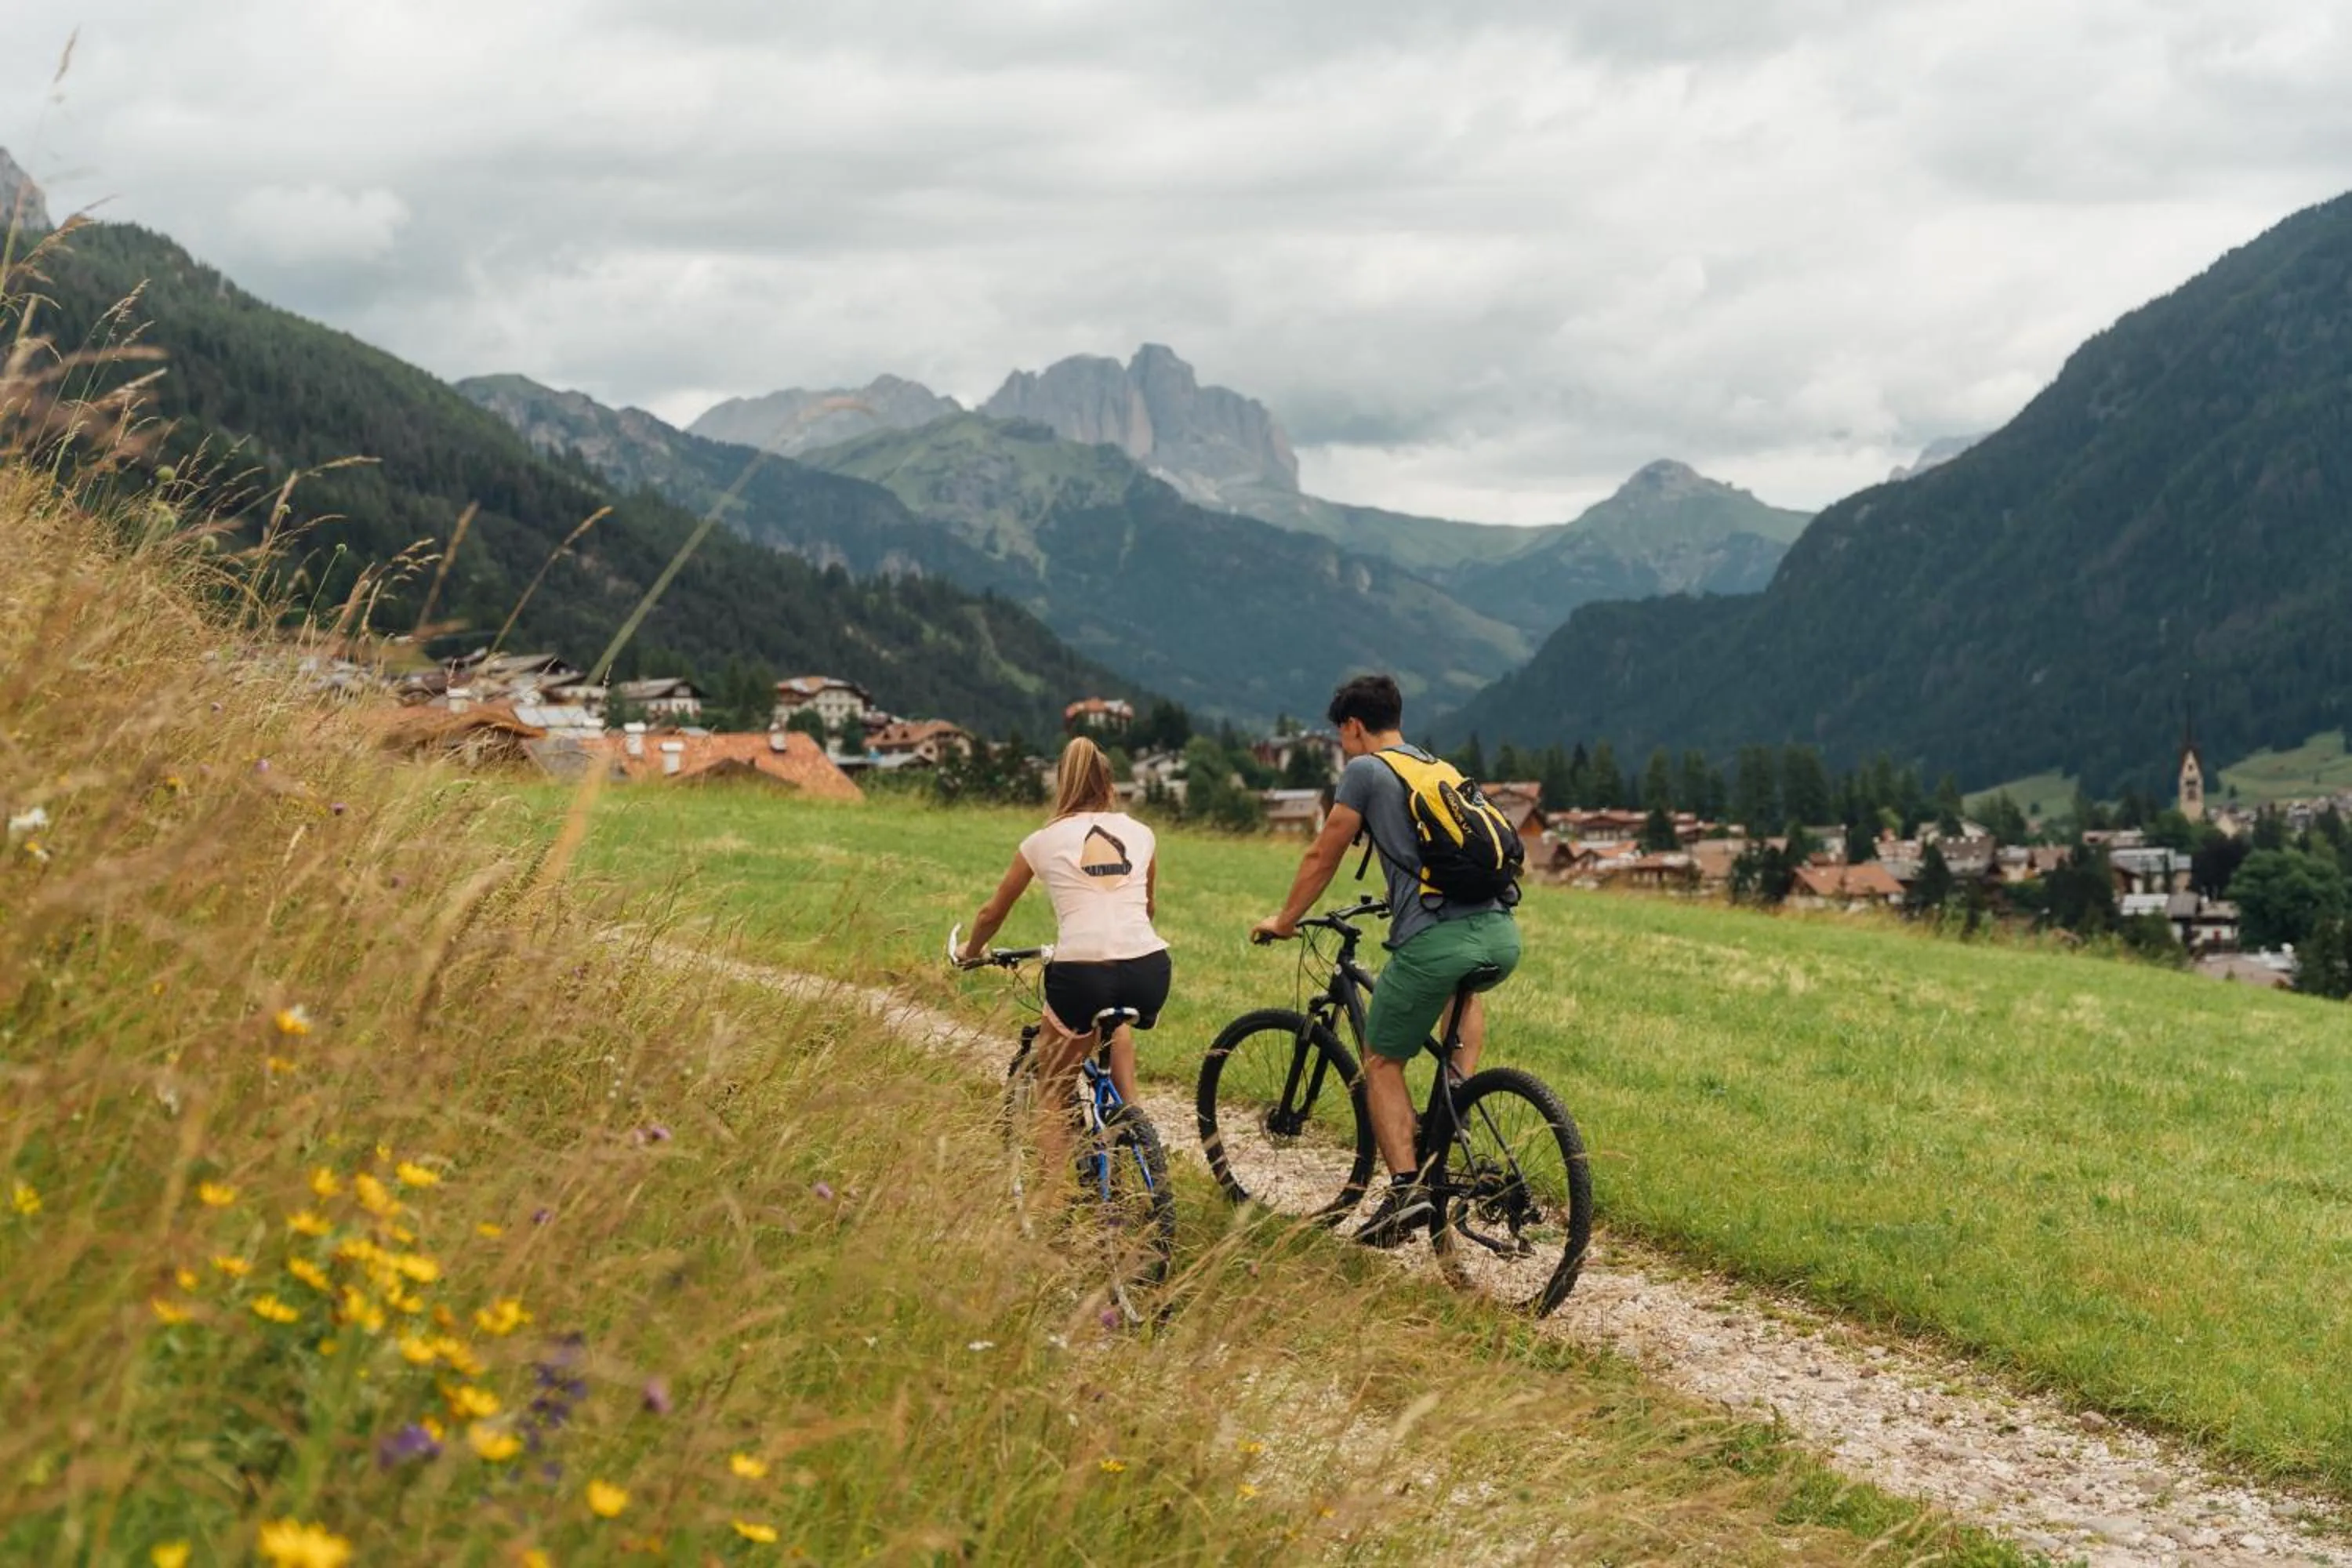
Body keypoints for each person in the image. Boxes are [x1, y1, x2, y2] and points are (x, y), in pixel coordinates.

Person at [1250, 673, 1520, 1245]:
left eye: (1341, 737)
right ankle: (1456, 1105)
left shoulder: (1366, 771)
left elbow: (1325, 851)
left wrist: (1285, 920)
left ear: (1353, 726)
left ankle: (1406, 1191)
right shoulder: (1434, 766)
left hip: (1435, 941)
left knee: (1380, 1061)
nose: (1343, 747)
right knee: (1459, 993)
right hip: (1500, 933)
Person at [959, 737, 1171, 1159]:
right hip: (1149, 969)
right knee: (1116, 1020)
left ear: (1062, 786)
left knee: (1052, 1090)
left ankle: (1050, 1207)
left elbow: (991, 914)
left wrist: (971, 952)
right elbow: (1147, 908)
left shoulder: (1042, 840)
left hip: (1082, 974)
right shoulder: (1141, 834)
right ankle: (1135, 1127)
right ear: (1109, 787)